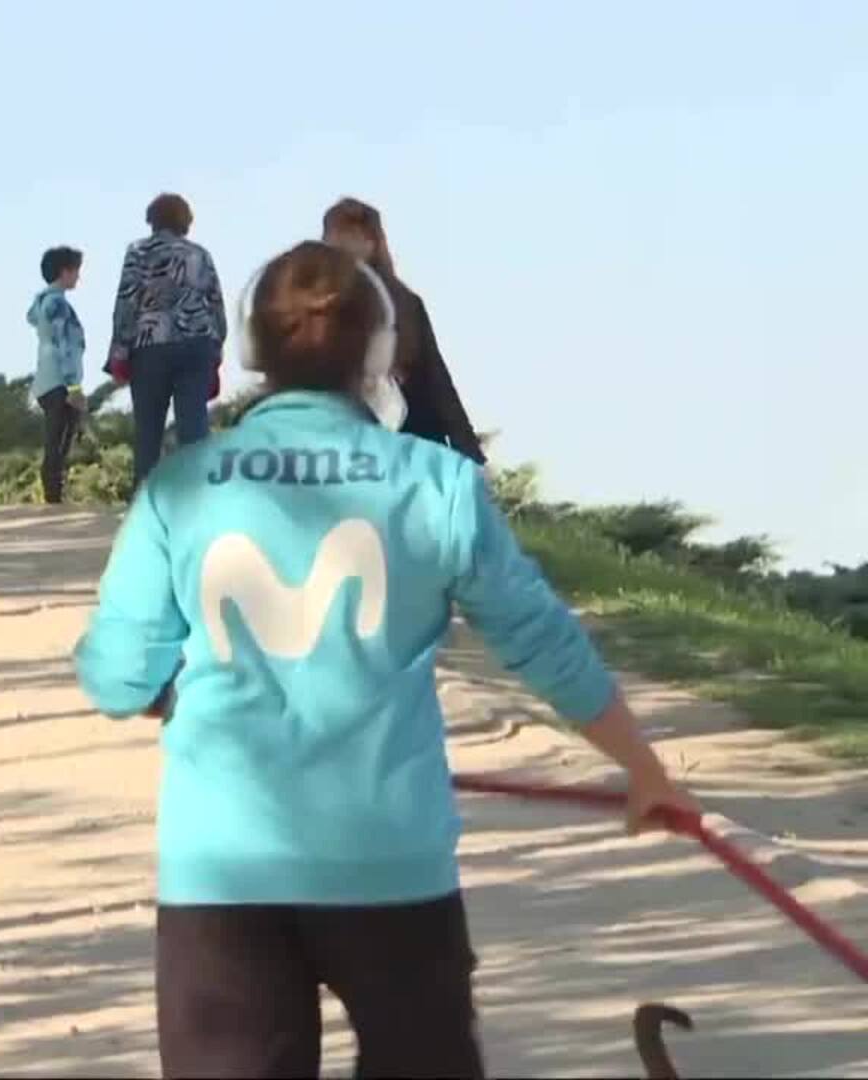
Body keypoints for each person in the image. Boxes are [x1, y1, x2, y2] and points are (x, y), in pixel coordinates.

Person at [73, 240, 698, 1079]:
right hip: (391, 866)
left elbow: (116, 677)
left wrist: (168, 690)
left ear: (252, 350)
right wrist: (641, 769)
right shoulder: (437, 484)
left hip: (223, 870)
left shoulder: (181, 486)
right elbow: (542, 640)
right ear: (378, 353)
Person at [322, 196, 486, 466]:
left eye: (351, 236)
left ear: (371, 243)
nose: (342, 246)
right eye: (335, 236)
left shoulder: (405, 302)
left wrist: (470, 455)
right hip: (345, 444)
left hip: (410, 443)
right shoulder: (314, 306)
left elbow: (437, 381)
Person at [106, 193, 228, 490]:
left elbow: (126, 303)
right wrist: (215, 347)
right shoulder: (199, 254)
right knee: (194, 428)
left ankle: (146, 503)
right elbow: (215, 303)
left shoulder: (137, 253)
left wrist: (119, 352)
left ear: (152, 220)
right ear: (185, 221)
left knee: (148, 430)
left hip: (150, 346)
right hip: (195, 344)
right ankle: (198, 499)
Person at [27, 245, 87, 505]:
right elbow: (65, 345)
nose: (78, 277)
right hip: (59, 381)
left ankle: (53, 493)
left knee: (55, 439)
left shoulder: (42, 302)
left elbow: (32, 320)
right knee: (59, 442)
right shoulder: (58, 304)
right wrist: (74, 387)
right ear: (64, 272)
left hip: (44, 379)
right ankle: (54, 496)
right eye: (75, 271)